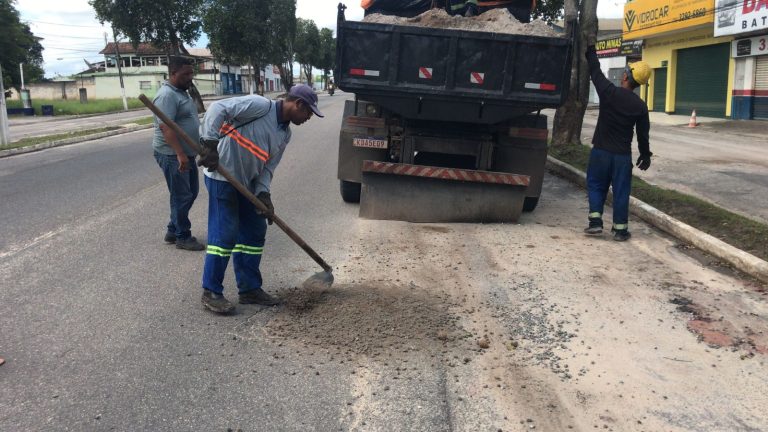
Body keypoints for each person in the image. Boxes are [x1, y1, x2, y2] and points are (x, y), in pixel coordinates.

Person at [196, 84, 323, 314]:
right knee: (225, 234)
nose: (308, 118)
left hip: (248, 185)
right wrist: (210, 144)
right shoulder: (260, 106)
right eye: (308, 113)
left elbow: (268, 167)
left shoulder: (285, 134)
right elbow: (217, 108)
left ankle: (249, 289)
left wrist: (263, 193)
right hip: (221, 177)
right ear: (299, 104)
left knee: (255, 232)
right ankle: (211, 291)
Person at [584, 42, 652, 241]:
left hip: (601, 152)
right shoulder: (640, 106)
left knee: (596, 185)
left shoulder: (609, 93)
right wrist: (645, 155)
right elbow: (643, 135)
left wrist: (591, 53)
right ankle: (620, 230)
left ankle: (595, 223)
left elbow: (595, 72)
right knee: (621, 192)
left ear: (625, 76)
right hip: (622, 157)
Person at [152, 56, 205, 251]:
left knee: (189, 193)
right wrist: (180, 154)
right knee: (182, 196)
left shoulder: (182, 93)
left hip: (186, 153)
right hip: (172, 154)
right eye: (185, 74)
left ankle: (173, 229)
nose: (190, 77)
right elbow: (166, 128)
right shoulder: (166, 96)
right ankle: (183, 236)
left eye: (191, 73)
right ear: (172, 73)